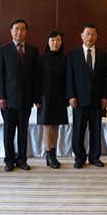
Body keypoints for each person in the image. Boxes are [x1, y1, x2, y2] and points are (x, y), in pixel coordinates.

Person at [0, 19, 39, 171]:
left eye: (22, 29)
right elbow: (0, 75)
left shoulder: (33, 50)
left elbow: (35, 76)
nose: (19, 32)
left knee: (22, 130)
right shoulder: (3, 50)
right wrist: (1, 96)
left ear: (26, 31)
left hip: (26, 98)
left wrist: (36, 97)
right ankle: (9, 160)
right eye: (16, 29)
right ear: (11, 31)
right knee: (9, 131)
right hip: (9, 98)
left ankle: (22, 159)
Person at [66, 24, 107, 169]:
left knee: (95, 130)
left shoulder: (103, 55)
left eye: (93, 34)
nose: (90, 37)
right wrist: (71, 95)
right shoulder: (73, 54)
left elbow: (105, 78)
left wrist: (105, 96)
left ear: (97, 36)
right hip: (79, 99)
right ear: (82, 36)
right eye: (87, 34)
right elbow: (69, 77)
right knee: (78, 130)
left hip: (97, 99)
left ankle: (94, 157)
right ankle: (79, 157)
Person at [35, 31, 68, 169]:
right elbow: (36, 79)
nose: (55, 43)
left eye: (58, 40)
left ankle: (53, 154)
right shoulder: (41, 58)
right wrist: (37, 98)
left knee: (56, 126)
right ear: (48, 42)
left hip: (60, 97)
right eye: (53, 40)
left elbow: (67, 79)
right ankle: (49, 154)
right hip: (45, 97)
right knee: (48, 126)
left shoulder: (65, 59)